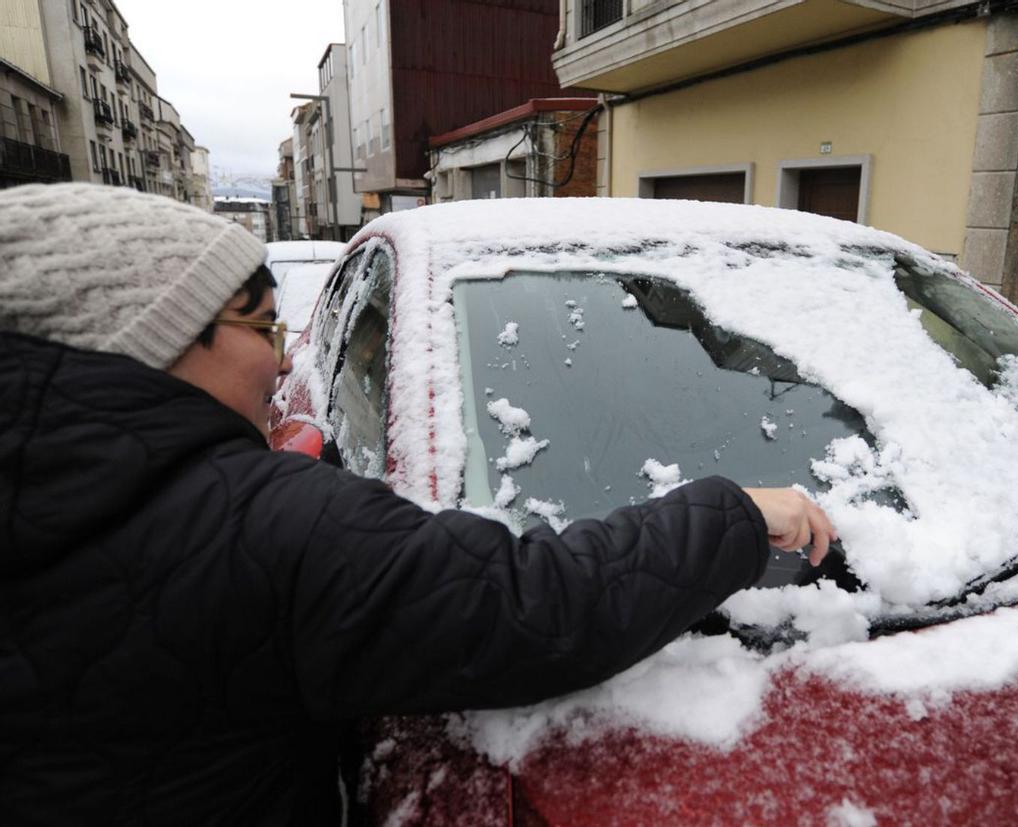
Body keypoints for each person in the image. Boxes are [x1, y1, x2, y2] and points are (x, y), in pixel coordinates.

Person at [0, 183, 836, 824]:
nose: (280, 360)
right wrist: (735, 513)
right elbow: (530, 603)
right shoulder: (258, 525)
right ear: (150, 339)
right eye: (260, 326)